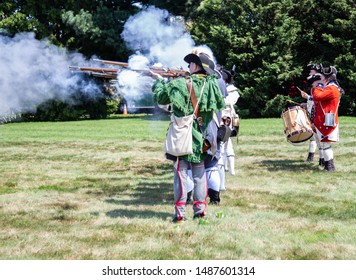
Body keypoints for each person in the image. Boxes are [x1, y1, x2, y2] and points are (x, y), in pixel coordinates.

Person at [151, 52, 225, 223]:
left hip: (183, 137)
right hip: (201, 137)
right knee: (200, 175)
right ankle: (200, 211)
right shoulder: (211, 84)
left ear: (195, 66)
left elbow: (161, 98)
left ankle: (180, 214)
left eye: (190, 63)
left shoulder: (180, 84)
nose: (188, 66)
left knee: (181, 175)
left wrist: (159, 80)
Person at [300, 65, 341, 171]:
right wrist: (309, 97)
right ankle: (328, 165)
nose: (320, 79)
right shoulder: (330, 88)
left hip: (326, 119)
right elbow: (317, 99)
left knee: (326, 144)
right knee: (323, 144)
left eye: (322, 77)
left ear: (327, 78)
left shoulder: (331, 89)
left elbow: (318, 96)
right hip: (323, 119)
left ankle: (330, 166)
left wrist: (316, 86)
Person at [299, 63, 325, 166]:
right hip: (313, 112)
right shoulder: (316, 85)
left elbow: (319, 99)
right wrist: (307, 103)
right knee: (314, 138)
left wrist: (308, 98)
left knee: (320, 139)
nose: (310, 72)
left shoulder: (320, 84)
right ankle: (317, 158)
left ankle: (323, 160)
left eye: (311, 71)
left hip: (318, 114)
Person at [219, 69, 240, 178]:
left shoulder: (232, 90)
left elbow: (228, 102)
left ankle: (230, 169)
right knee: (223, 143)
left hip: (227, 118)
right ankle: (226, 168)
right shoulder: (223, 88)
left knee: (225, 143)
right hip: (222, 117)